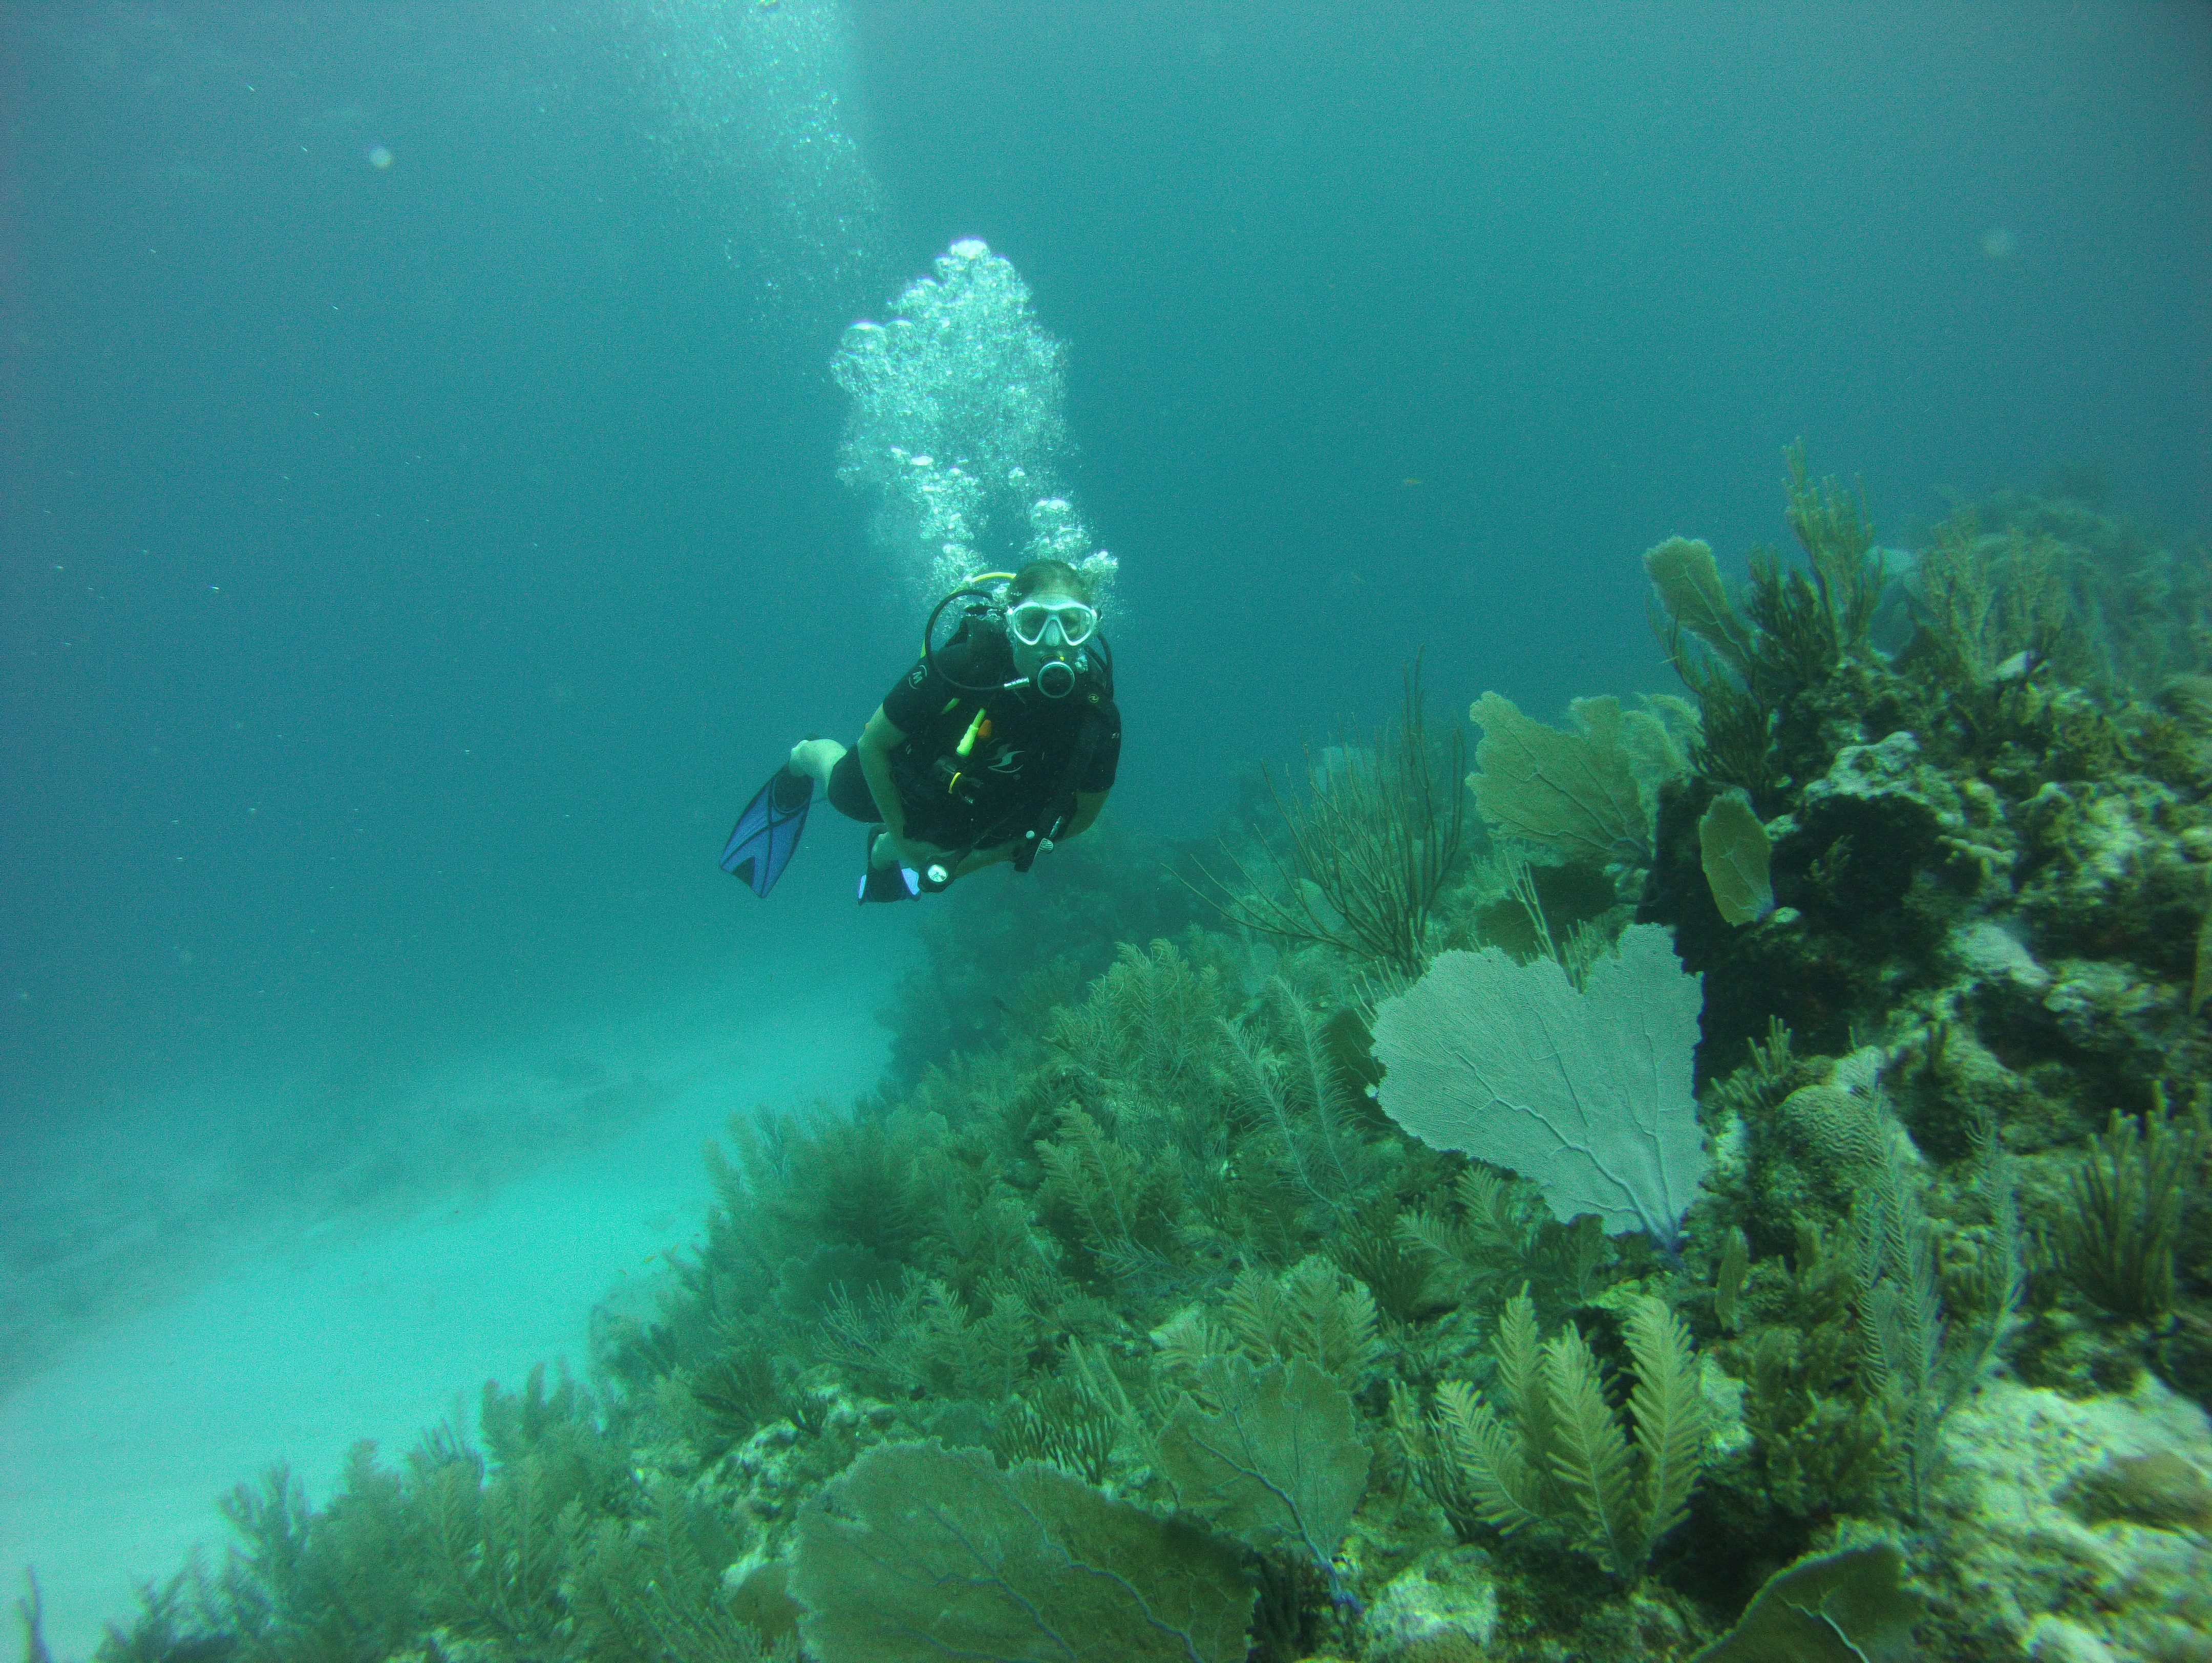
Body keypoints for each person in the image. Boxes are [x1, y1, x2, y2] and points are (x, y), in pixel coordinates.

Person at [720, 559, 1120, 901]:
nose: (1053, 643)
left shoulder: (1096, 716)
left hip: (986, 795)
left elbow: (1081, 818)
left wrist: (978, 858)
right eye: (1034, 623)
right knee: (846, 795)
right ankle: (805, 753)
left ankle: (883, 849)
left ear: (1092, 627)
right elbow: (874, 744)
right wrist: (907, 839)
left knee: (970, 836)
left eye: (1072, 624)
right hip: (917, 769)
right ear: (1011, 624)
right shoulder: (961, 666)